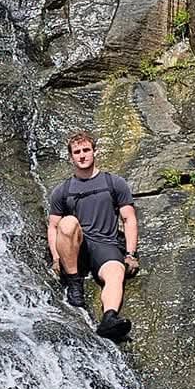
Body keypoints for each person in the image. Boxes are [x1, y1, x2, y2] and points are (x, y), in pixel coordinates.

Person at [47, 132, 139, 343]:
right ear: (71, 157)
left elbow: (129, 219)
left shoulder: (114, 182)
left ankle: (109, 319)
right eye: (77, 152)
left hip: (105, 244)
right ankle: (74, 283)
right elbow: (53, 227)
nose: (82, 155)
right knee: (67, 223)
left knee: (116, 272)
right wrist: (55, 257)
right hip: (75, 246)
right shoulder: (62, 191)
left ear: (94, 152)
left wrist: (130, 254)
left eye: (86, 150)